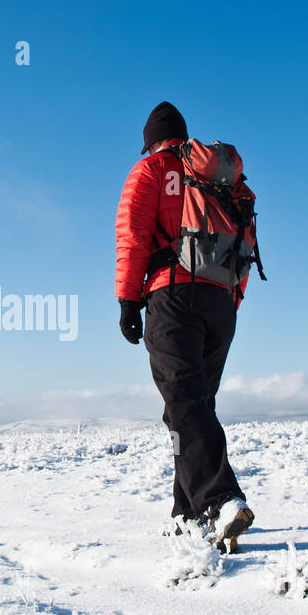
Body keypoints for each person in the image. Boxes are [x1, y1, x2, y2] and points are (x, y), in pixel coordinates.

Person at [114, 101, 256, 552]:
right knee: (191, 406)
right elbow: (245, 242)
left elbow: (132, 235)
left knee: (186, 403)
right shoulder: (221, 180)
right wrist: (232, 300)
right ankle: (188, 514)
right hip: (221, 303)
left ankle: (221, 499)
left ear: (151, 139)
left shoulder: (152, 169)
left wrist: (127, 301)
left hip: (172, 296)